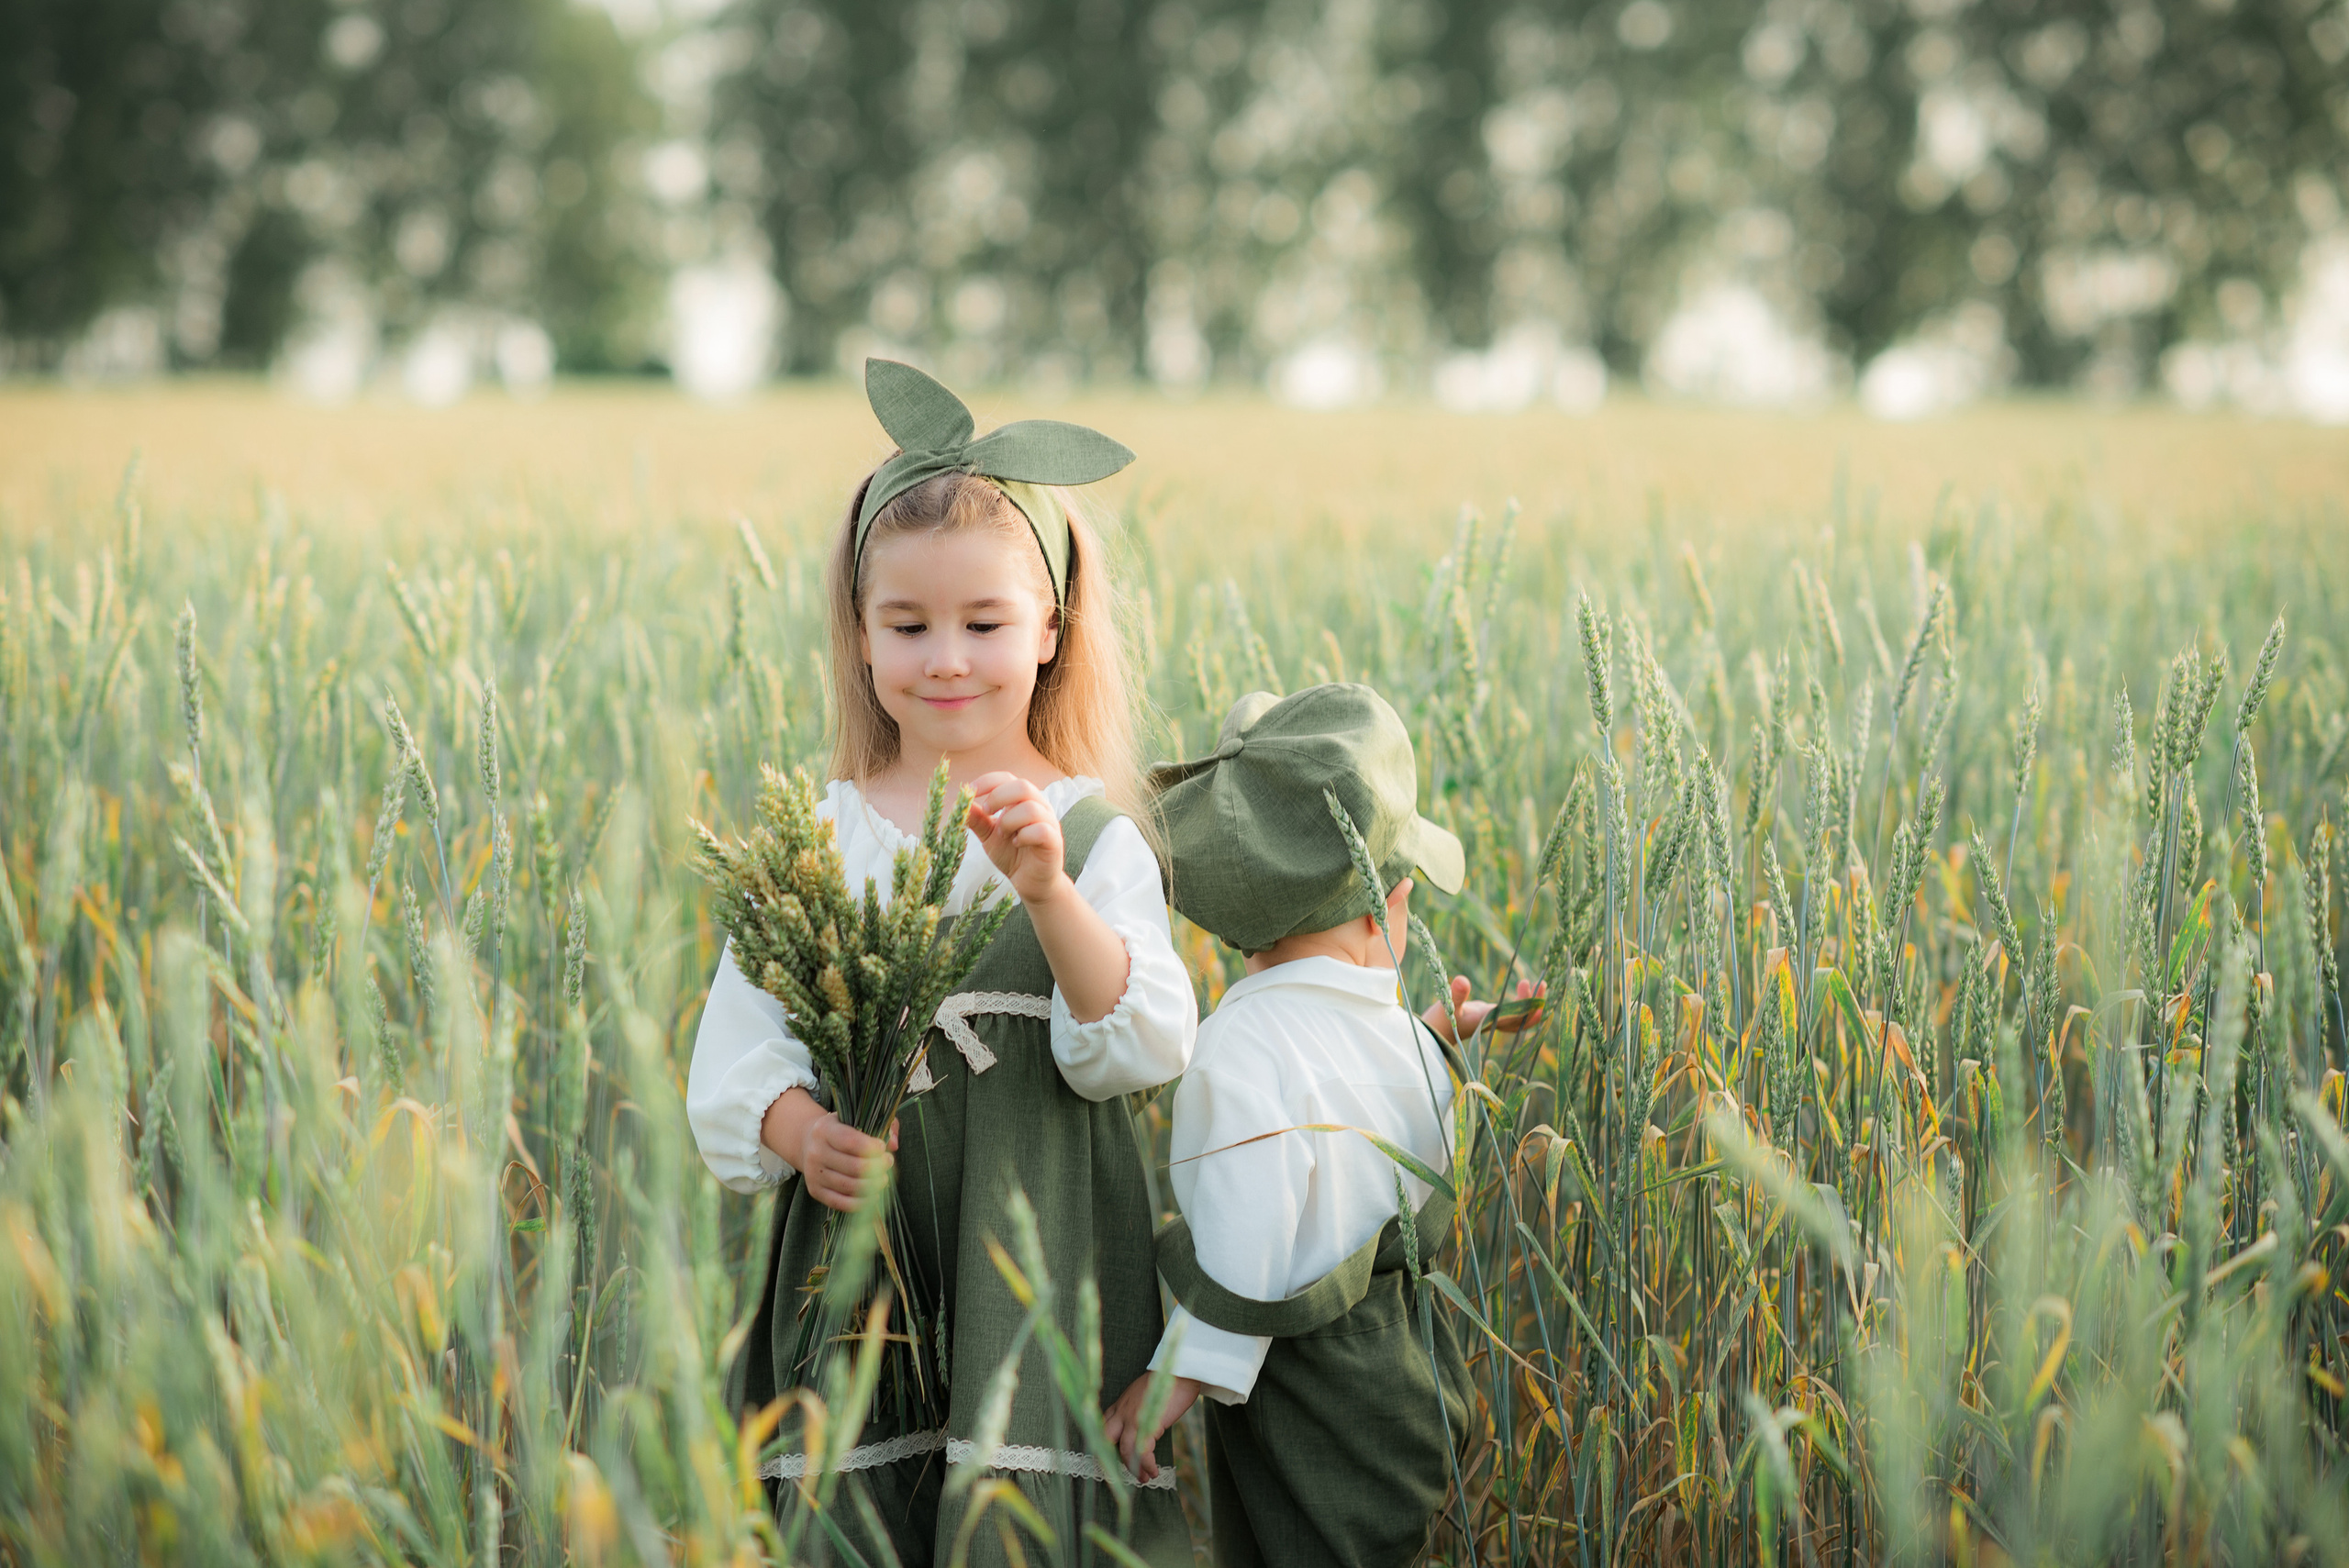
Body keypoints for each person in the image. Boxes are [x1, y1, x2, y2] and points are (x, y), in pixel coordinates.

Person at [687, 359, 1198, 1565]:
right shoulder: (822, 836)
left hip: (1042, 1253)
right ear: (860, 637)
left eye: (985, 623)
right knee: (866, 1508)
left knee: (1017, 1511)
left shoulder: (1087, 828)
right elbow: (738, 1041)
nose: (947, 658)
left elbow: (1140, 1040)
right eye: (908, 625)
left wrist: (1050, 896)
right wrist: (799, 1131)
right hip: (863, 1272)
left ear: (1052, 631)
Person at [1101, 684, 1537, 1568]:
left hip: (1306, 1396)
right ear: (1392, 904)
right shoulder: (1388, 1028)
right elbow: (1388, 1144)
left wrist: (1173, 1378)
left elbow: (1247, 1248)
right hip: (1408, 1372)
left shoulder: (1242, 1043)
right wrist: (1445, 1044)